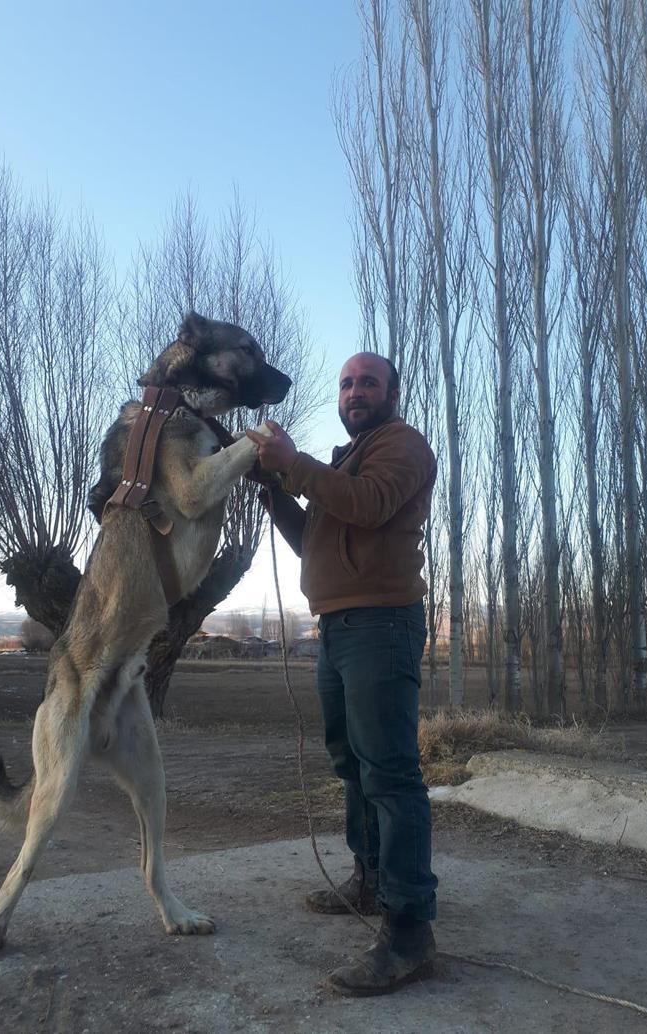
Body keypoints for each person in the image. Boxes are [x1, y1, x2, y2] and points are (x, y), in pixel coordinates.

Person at [246, 352, 438, 996]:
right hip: (338, 628)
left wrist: (294, 467)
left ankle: (409, 931)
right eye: (347, 383)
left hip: (382, 626)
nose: (355, 392)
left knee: (389, 773)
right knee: (352, 763)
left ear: (392, 393)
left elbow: (369, 506)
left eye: (368, 383)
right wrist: (275, 486)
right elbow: (315, 540)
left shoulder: (402, 447)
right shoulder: (341, 462)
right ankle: (371, 878)